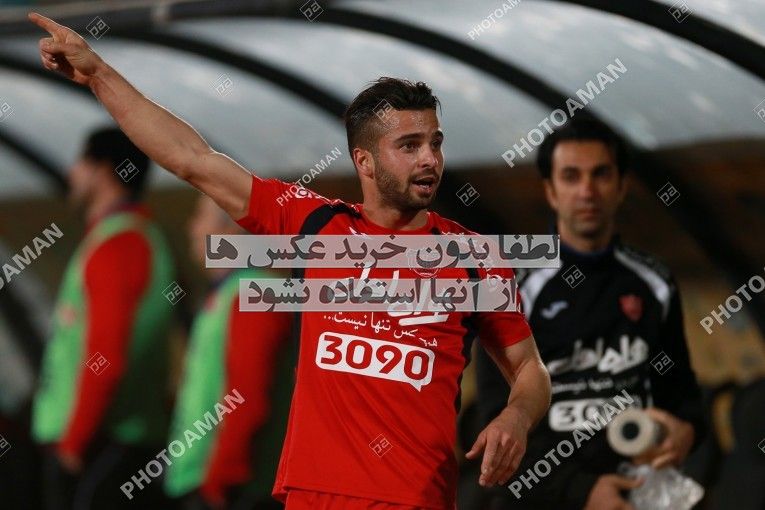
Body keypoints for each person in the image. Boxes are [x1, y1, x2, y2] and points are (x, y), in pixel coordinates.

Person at [29, 12, 552, 509]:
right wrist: (98, 74)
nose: (430, 159)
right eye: (409, 145)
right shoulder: (316, 226)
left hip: (416, 499)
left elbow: (530, 370)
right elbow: (192, 158)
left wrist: (516, 417)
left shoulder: (472, 257)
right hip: (310, 497)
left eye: (435, 143)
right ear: (365, 161)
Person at [475, 118, 705, 509]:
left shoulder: (654, 282)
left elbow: (681, 394)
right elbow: (495, 427)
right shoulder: (510, 286)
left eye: (601, 174)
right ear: (551, 191)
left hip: (635, 497)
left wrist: (686, 431)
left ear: (621, 186)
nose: (587, 191)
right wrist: (582, 491)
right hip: (542, 500)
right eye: (571, 176)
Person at [31, 126, 176, 509]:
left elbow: (106, 356)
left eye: (81, 161)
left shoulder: (119, 243)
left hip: (100, 444)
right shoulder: (127, 236)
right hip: (104, 441)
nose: (72, 172)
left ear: (103, 170)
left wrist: (74, 442)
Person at [165, 194, 293, 509]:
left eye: (200, 217)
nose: (192, 228)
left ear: (231, 229)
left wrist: (221, 480)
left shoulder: (256, 294)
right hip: (207, 481)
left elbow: (248, 395)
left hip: (230, 490)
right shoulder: (228, 294)